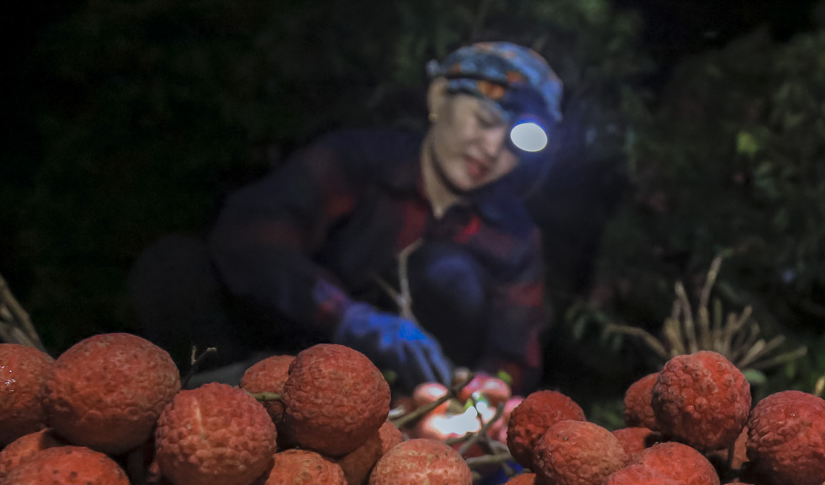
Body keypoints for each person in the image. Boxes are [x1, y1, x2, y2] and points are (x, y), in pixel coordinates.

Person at [127, 41, 559, 391]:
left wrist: (491, 386)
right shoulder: (356, 160)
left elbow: (514, 358)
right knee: (174, 265)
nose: (491, 148)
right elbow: (251, 236)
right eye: (484, 120)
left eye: (513, 147)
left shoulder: (514, 235)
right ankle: (204, 397)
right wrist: (347, 317)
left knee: (451, 275)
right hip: (279, 342)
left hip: (396, 395)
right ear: (438, 97)